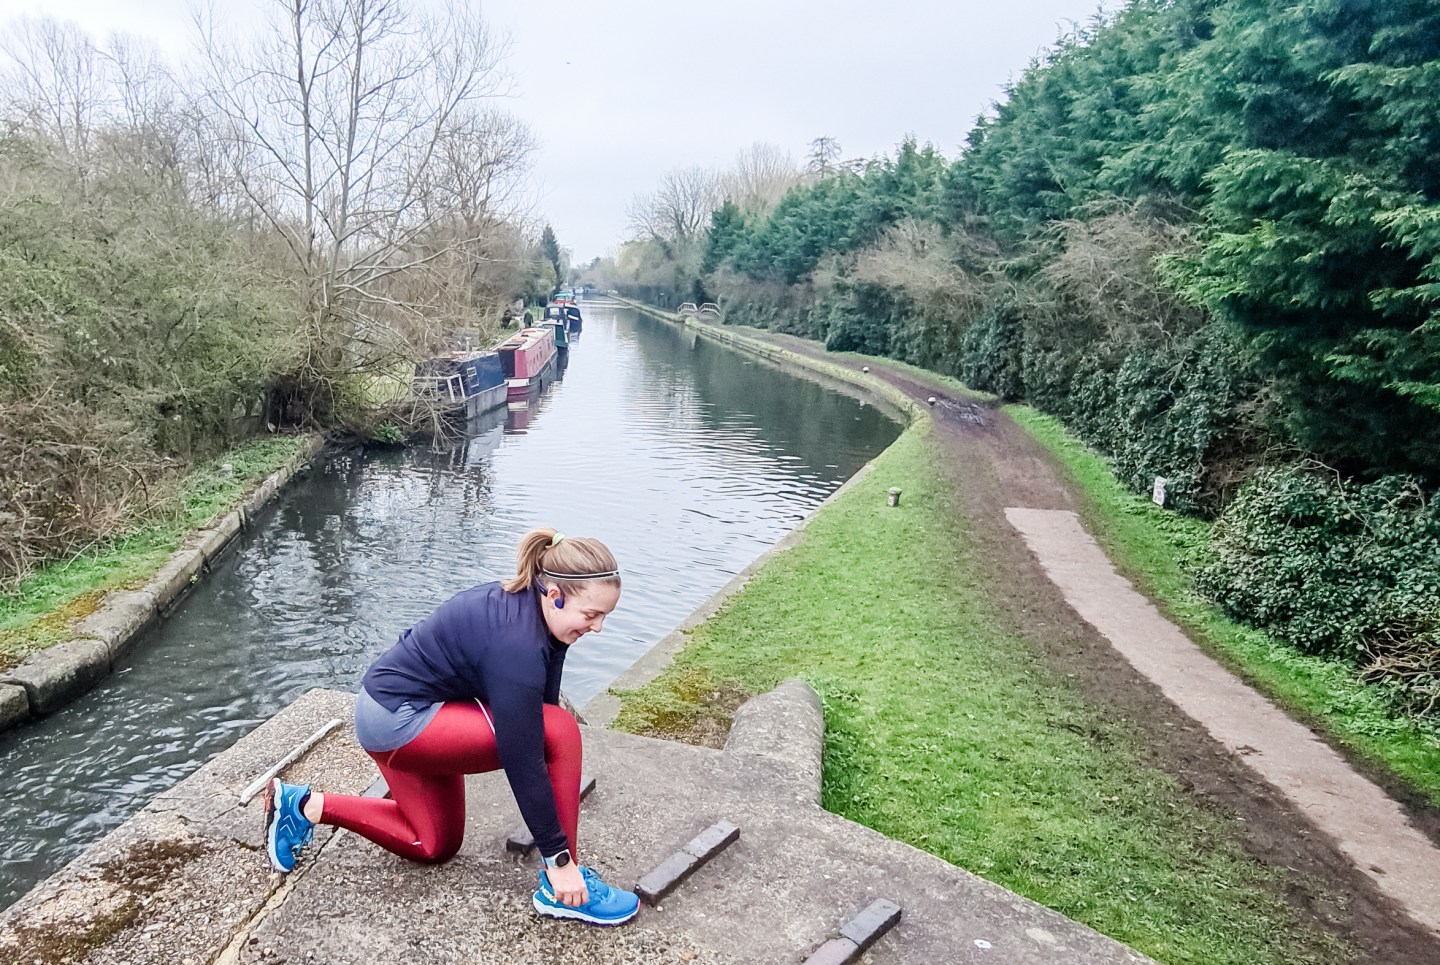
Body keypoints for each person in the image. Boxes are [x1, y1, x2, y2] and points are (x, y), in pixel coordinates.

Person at [263, 528, 640, 926]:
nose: (598, 627)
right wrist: (559, 857)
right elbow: (525, 754)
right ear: (555, 595)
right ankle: (565, 887)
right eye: (592, 615)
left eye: (604, 617)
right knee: (561, 731)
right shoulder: (518, 645)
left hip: (405, 709)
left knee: (433, 845)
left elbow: (539, 707)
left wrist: (564, 647)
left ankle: (302, 806)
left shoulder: (534, 609)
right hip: (399, 721)